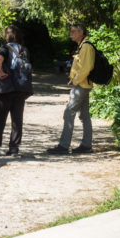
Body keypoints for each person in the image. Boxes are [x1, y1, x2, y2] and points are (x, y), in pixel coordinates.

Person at [0, 25, 32, 157]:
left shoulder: (5, 48)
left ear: (6, 36)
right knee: (17, 120)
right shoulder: (24, 50)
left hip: (4, 88)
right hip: (20, 88)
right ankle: (14, 148)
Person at [47, 23, 94, 155]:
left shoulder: (86, 46)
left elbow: (86, 67)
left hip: (81, 85)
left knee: (69, 113)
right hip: (83, 84)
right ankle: (86, 145)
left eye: (73, 31)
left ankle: (63, 145)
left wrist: (76, 80)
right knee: (84, 115)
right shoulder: (83, 45)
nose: (71, 34)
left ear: (81, 32)